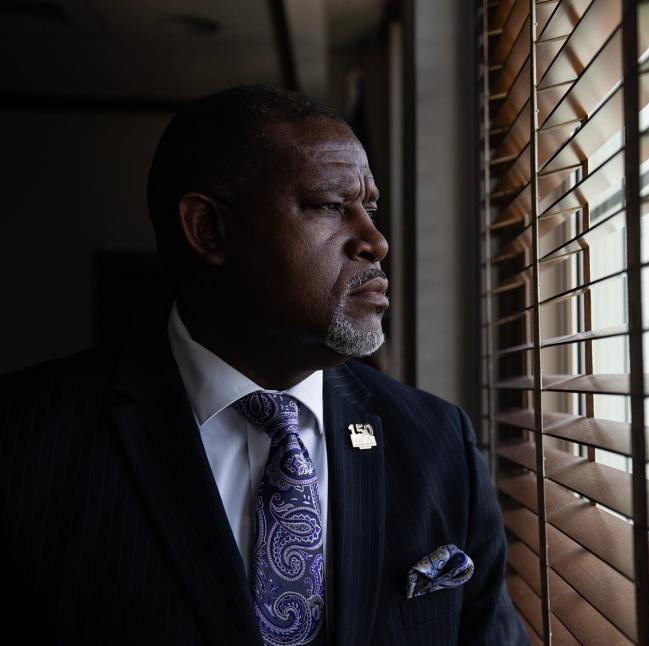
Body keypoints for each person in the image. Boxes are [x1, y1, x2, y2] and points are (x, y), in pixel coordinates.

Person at [0, 85, 529, 646]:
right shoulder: (23, 443)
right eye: (330, 206)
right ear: (210, 230)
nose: (376, 241)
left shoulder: (437, 443)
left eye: (368, 208)